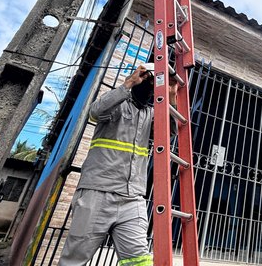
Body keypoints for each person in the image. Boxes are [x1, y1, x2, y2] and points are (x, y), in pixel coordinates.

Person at [58, 63, 178, 266]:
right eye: (149, 80)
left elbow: (171, 132)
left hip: (133, 197)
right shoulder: (117, 104)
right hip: (98, 192)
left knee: (139, 260)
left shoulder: (150, 114)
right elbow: (95, 112)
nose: (151, 86)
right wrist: (128, 83)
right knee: (74, 260)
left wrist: (172, 97)